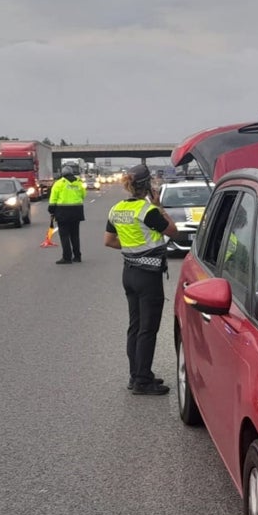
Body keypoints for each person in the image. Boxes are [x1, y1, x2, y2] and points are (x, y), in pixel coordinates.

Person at [104, 164, 178, 395]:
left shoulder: (116, 209)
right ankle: (143, 382)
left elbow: (109, 241)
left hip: (129, 273)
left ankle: (136, 375)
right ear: (148, 187)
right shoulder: (148, 211)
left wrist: (132, 249)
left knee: (135, 327)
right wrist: (159, 207)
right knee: (148, 329)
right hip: (148, 276)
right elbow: (173, 231)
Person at [48, 163, 87, 264]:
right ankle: (77, 256)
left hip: (63, 211)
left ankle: (67, 257)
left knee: (64, 235)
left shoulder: (59, 183)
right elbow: (83, 195)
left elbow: (53, 199)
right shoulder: (79, 182)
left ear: (62, 173)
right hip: (77, 211)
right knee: (75, 234)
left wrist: (51, 210)